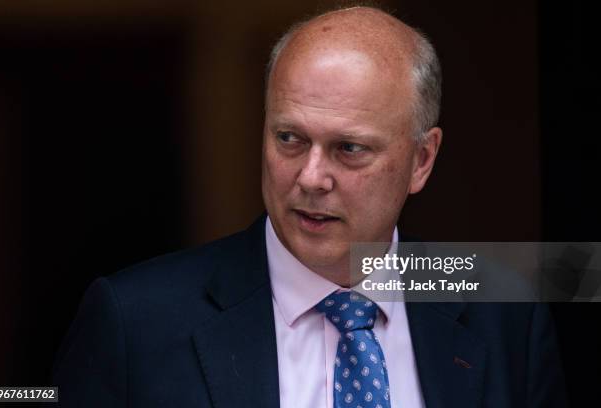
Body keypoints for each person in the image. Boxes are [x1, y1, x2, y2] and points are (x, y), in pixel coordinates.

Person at [52, 6, 567, 407]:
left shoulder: (504, 311)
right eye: (290, 138)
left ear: (421, 160)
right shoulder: (134, 320)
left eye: (349, 149)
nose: (311, 177)